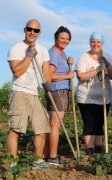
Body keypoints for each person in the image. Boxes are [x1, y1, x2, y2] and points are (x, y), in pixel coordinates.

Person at [6, 19, 51, 169]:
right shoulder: (16, 48)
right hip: (19, 92)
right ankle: (12, 162)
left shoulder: (43, 50)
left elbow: (45, 71)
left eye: (36, 30)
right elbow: (17, 71)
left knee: (42, 128)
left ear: (39, 33)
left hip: (35, 94)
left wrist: (48, 82)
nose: (32, 32)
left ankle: (38, 160)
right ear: (24, 30)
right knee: (16, 128)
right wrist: (29, 56)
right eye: (30, 29)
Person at [75, 32, 112, 155]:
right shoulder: (84, 57)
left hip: (104, 97)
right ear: (90, 43)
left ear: (102, 44)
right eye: (93, 41)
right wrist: (98, 69)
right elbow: (81, 76)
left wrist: (107, 64)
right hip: (86, 98)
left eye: (98, 42)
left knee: (100, 123)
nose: (95, 44)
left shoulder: (108, 56)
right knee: (89, 123)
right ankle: (89, 150)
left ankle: (98, 148)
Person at [44, 26, 74, 165]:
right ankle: (52, 156)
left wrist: (69, 64)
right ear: (56, 38)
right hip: (57, 91)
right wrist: (67, 75)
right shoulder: (54, 53)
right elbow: (48, 75)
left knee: (54, 124)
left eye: (67, 39)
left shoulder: (60, 52)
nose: (65, 40)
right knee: (55, 124)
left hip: (60, 91)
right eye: (62, 38)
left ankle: (49, 154)